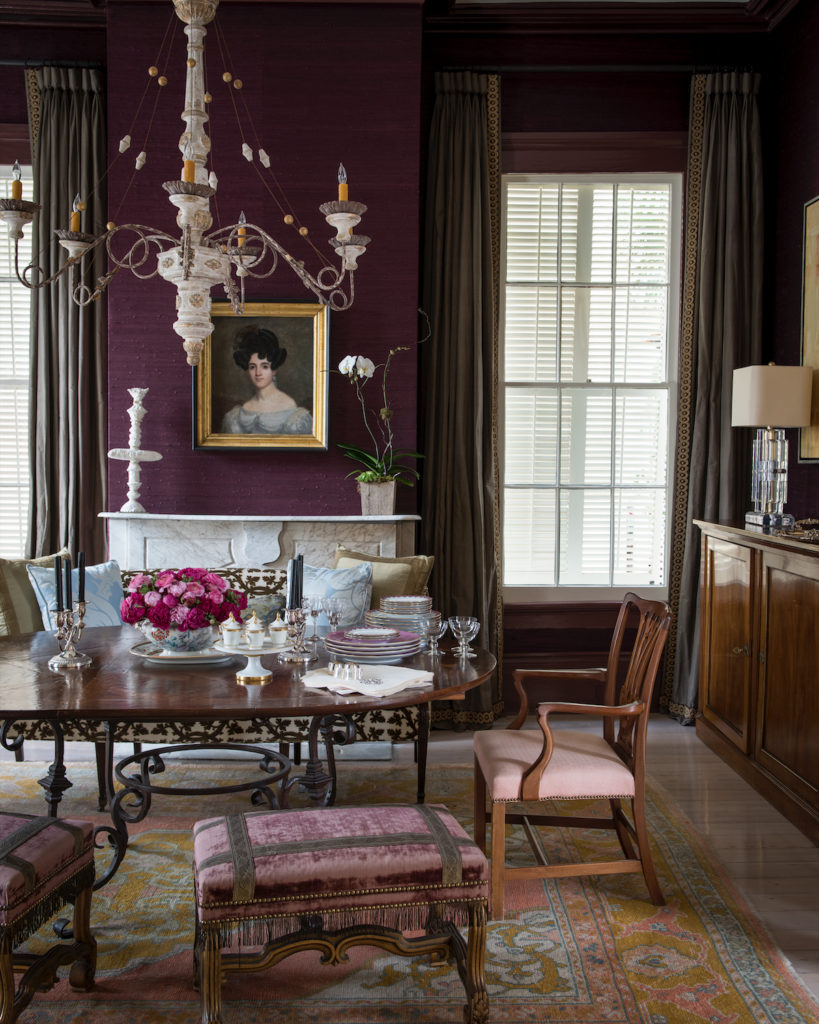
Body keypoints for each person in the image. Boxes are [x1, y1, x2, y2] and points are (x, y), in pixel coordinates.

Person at [220, 325, 313, 435]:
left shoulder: (294, 413)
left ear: (274, 369)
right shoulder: (237, 415)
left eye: (264, 366)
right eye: (252, 367)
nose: (258, 373)